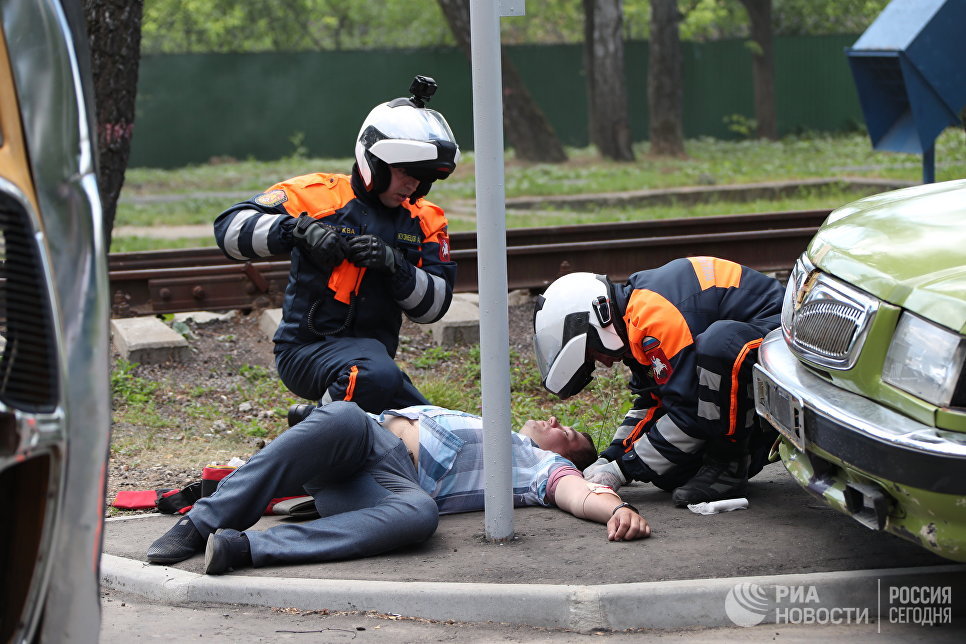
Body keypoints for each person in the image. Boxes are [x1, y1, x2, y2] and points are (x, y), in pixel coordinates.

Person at [146, 401, 651, 575]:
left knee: (419, 515)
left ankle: (243, 547)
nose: (556, 421)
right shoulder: (494, 417)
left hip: (386, 485)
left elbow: (579, 493)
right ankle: (200, 523)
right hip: (359, 436)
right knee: (341, 416)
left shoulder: (537, 467)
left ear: (568, 456)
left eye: (571, 433)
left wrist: (615, 508)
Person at [213, 76, 459, 417]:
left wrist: (394, 265)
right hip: (306, 351)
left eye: (422, 176)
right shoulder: (316, 195)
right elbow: (228, 231)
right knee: (375, 375)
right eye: (405, 171)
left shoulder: (427, 220)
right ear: (373, 160)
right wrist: (296, 230)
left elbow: (435, 306)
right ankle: (311, 432)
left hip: (372, 361)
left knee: (436, 426)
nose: (413, 184)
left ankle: (319, 421)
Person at [532, 257, 784, 507]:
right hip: (755, 351)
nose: (606, 363)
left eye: (594, 353)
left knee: (722, 344)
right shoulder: (635, 322)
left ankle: (729, 464)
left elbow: (690, 411)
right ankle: (752, 448)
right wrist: (611, 456)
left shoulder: (656, 316)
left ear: (599, 319)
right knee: (672, 473)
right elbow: (654, 401)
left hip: (782, 336)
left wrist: (621, 470)